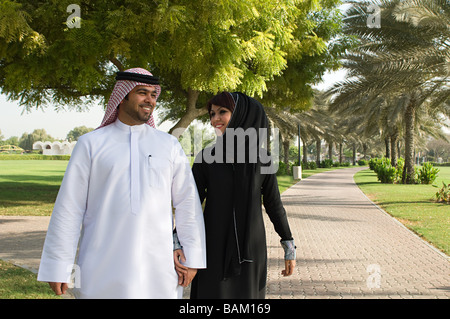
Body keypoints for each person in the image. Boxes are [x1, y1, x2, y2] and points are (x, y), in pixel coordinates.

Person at [37, 68, 206, 299]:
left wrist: (192, 257)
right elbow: (69, 208)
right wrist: (58, 265)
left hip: (157, 270)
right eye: (142, 93)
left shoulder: (169, 145)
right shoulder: (91, 144)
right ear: (122, 95)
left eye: (153, 95)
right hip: (101, 269)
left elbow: (188, 204)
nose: (150, 100)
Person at [174, 92, 295, 299]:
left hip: (251, 250)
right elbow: (190, 204)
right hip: (213, 247)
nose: (214, 119)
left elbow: (274, 204)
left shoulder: (262, 160)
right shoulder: (207, 158)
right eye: (212, 114)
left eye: (223, 112)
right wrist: (177, 240)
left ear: (242, 115)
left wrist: (288, 245)